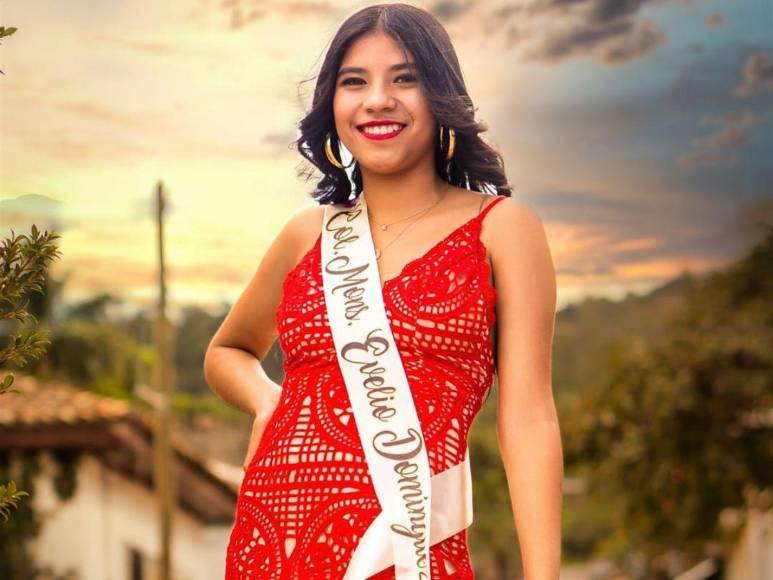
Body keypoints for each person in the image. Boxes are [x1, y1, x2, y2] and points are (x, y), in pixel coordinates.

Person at [204, 3, 562, 579]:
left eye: (405, 79)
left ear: (440, 96)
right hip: (274, 541)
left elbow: (529, 418)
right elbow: (228, 352)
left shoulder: (502, 228)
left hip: (410, 547)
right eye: (355, 82)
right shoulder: (307, 233)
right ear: (333, 104)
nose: (377, 100)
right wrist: (268, 399)